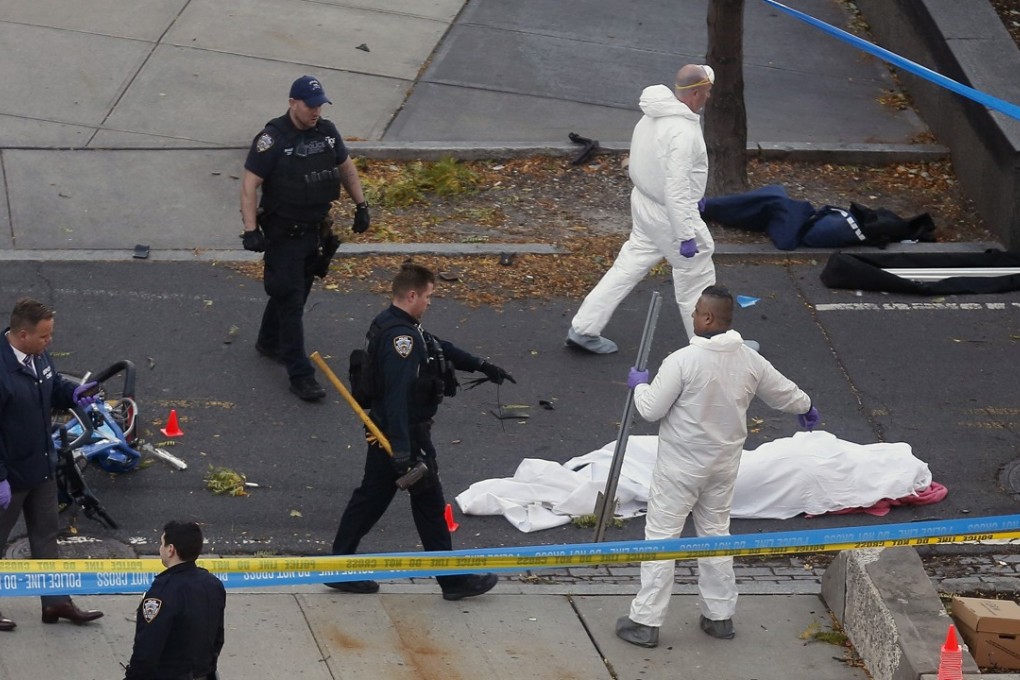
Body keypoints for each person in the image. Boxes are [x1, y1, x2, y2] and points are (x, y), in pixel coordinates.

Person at [615, 285, 820, 647]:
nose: (692, 316)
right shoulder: (749, 360)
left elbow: (650, 410)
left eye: (696, 311)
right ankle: (719, 616)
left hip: (679, 469)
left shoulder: (682, 361)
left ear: (708, 318)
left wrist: (639, 386)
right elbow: (785, 392)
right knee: (715, 536)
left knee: (662, 539)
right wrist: (805, 408)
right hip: (723, 466)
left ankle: (645, 621)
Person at [326, 263, 515, 599]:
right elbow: (398, 396)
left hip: (390, 435)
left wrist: (482, 365)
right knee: (427, 503)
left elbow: (438, 346)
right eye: (427, 296)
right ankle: (452, 581)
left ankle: (337, 566)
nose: (429, 302)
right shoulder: (403, 340)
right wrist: (402, 452)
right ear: (411, 295)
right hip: (404, 436)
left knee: (371, 500)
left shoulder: (395, 324)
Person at [567, 64, 716, 354]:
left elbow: (645, 162)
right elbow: (675, 187)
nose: (709, 97)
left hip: (645, 204)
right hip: (671, 215)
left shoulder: (651, 117)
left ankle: (584, 327)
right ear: (696, 93)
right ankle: (710, 347)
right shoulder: (683, 132)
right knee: (696, 276)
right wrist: (685, 232)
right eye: (707, 92)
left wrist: (692, 193)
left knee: (628, 264)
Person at [240, 75, 371, 401]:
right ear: (292, 103)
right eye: (310, 105)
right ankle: (301, 375)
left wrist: (361, 205)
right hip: (285, 234)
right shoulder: (272, 138)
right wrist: (250, 228)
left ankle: (269, 341)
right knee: (292, 300)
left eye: (320, 105)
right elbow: (248, 184)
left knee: (291, 296)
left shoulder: (326, 133)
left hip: (315, 233)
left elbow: (345, 167)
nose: (316, 111)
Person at [0, 298, 104, 631]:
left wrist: (74, 393)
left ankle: (56, 602)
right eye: (44, 336)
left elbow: (51, 386)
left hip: (41, 467)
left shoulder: (38, 356)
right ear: (22, 334)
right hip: (10, 475)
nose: (49, 342)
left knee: (46, 537)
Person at [125, 520, 226, 680]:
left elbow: (147, 650)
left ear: (170, 550)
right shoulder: (213, 584)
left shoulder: (161, 593)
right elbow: (217, 637)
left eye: (162, 543)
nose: (160, 548)